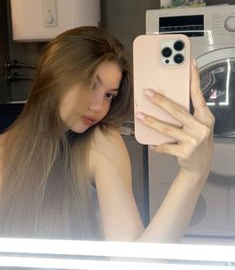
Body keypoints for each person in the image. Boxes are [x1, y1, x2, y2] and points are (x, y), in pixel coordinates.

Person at [0, 26, 214, 242]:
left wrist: (193, 175)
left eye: (109, 95)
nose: (99, 106)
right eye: (91, 85)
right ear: (54, 76)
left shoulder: (100, 143)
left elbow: (136, 264)